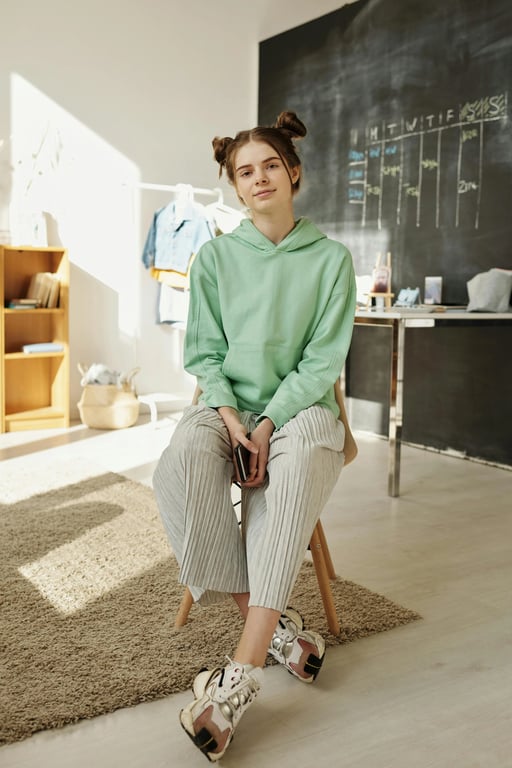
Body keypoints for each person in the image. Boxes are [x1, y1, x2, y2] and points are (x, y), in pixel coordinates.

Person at [153, 110, 356, 762]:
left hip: (302, 411)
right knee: (182, 458)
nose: (260, 177)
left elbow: (322, 364)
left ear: (293, 172)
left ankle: (237, 678)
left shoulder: (330, 260)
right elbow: (205, 352)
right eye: (246, 171)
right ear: (235, 187)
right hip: (229, 405)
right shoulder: (214, 256)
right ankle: (266, 624)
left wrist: (270, 423)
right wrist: (234, 417)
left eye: (271, 165)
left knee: (292, 473)